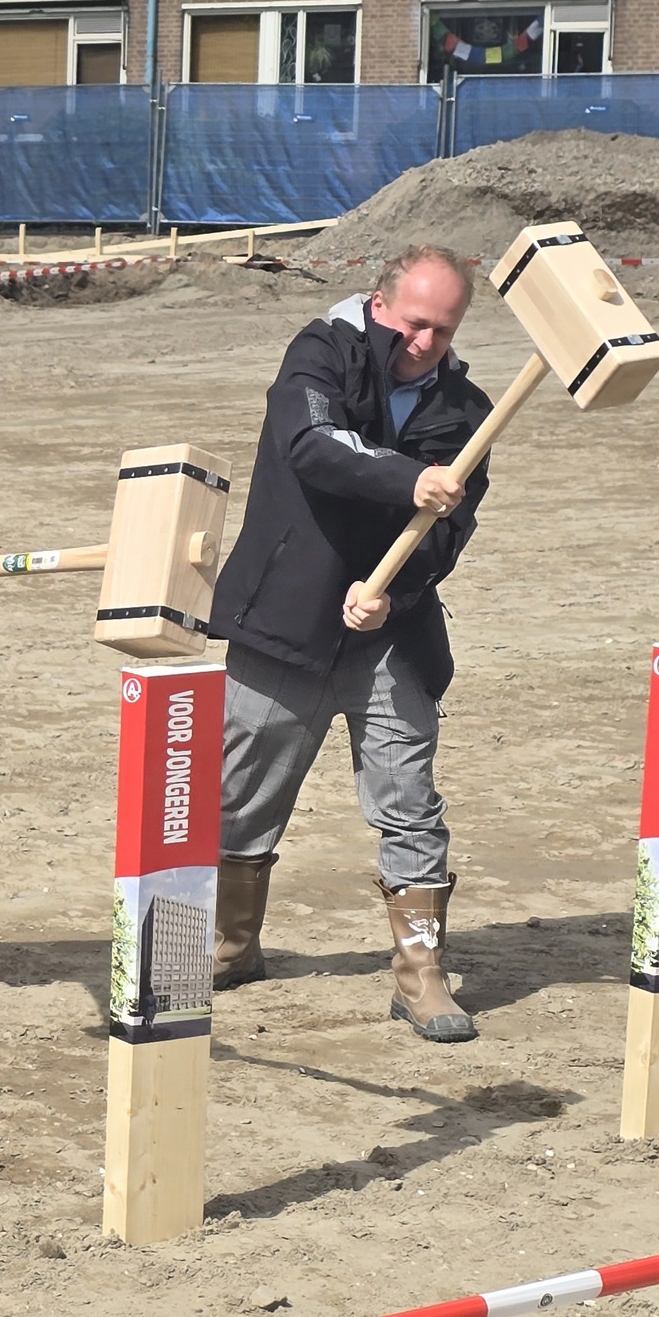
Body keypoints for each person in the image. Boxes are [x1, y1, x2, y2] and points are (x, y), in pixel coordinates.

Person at [206, 246, 494, 1041]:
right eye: (413, 323)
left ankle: (420, 972)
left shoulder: (470, 416)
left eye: (443, 328)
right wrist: (409, 480)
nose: (425, 343)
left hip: (391, 637)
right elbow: (312, 444)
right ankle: (230, 948)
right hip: (284, 617)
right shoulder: (319, 354)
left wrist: (393, 595)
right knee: (241, 797)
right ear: (379, 305)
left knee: (410, 799)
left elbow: (446, 541)